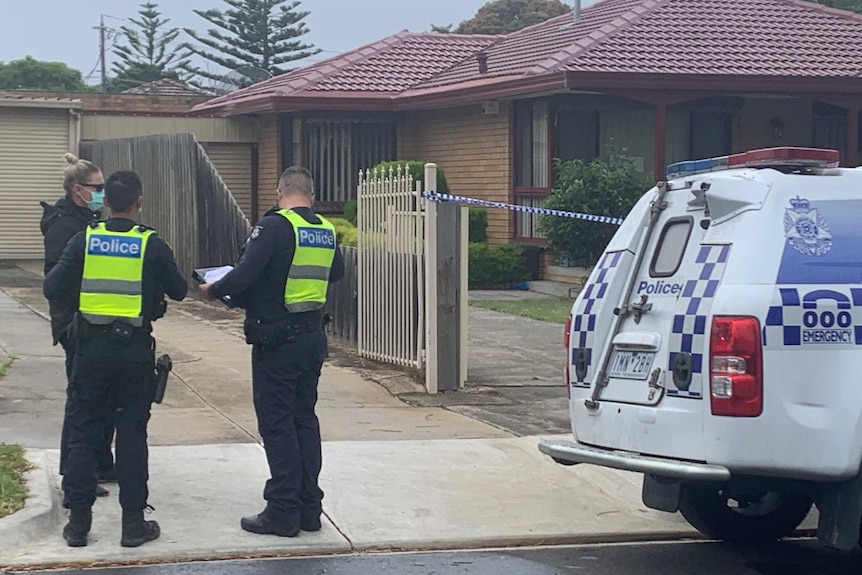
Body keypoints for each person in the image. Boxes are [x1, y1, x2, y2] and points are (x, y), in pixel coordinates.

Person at [43, 170, 188, 548]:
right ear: (139, 201)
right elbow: (180, 290)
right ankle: (132, 524)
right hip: (134, 353)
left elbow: (51, 287)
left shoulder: (84, 240)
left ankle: (78, 525)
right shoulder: (150, 243)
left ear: (105, 202)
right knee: (131, 436)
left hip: (90, 351)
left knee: (84, 434)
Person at [199, 166, 344, 537]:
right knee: (304, 421)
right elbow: (336, 272)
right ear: (311, 197)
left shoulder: (274, 226)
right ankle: (309, 509)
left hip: (277, 341)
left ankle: (282, 511)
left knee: (277, 425)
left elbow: (245, 274)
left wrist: (213, 289)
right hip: (312, 336)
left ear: (280, 194)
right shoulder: (325, 230)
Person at [40, 153, 115, 498]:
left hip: (96, 322)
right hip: (75, 324)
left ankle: (99, 463)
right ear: (77, 189)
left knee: (101, 399)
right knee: (82, 402)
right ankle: (76, 472)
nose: (101, 193)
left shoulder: (90, 220)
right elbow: (56, 279)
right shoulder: (63, 225)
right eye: (96, 188)